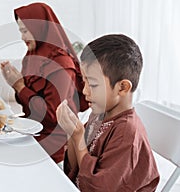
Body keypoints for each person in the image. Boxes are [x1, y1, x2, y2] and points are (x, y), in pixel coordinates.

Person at [56, 34, 160, 191]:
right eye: (84, 82)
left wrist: (78, 137)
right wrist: (72, 133)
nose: (85, 91)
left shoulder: (127, 132)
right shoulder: (99, 113)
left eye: (93, 84)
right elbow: (73, 168)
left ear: (122, 88)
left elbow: (99, 188)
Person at [0, 2, 88, 164]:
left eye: (26, 31)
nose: (22, 37)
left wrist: (20, 86)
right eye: (21, 31)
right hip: (31, 131)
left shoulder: (61, 64)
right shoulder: (32, 56)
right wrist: (17, 84)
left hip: (53, 143)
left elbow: (52, 116)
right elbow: (27, 104)